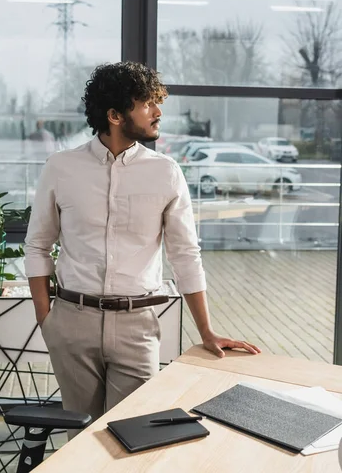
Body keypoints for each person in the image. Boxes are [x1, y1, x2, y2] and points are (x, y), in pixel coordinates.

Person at [24, 62, 260, 432]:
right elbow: (38, 245)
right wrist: (47, 319)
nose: (158, 111)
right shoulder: (61, 168)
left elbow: (185, 256)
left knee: (133, 437)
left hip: (138, 326)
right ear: (115, 115)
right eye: (147, 103)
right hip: (72, 321)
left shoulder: (166, 172)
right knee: (80, 438)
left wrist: (207, 332)